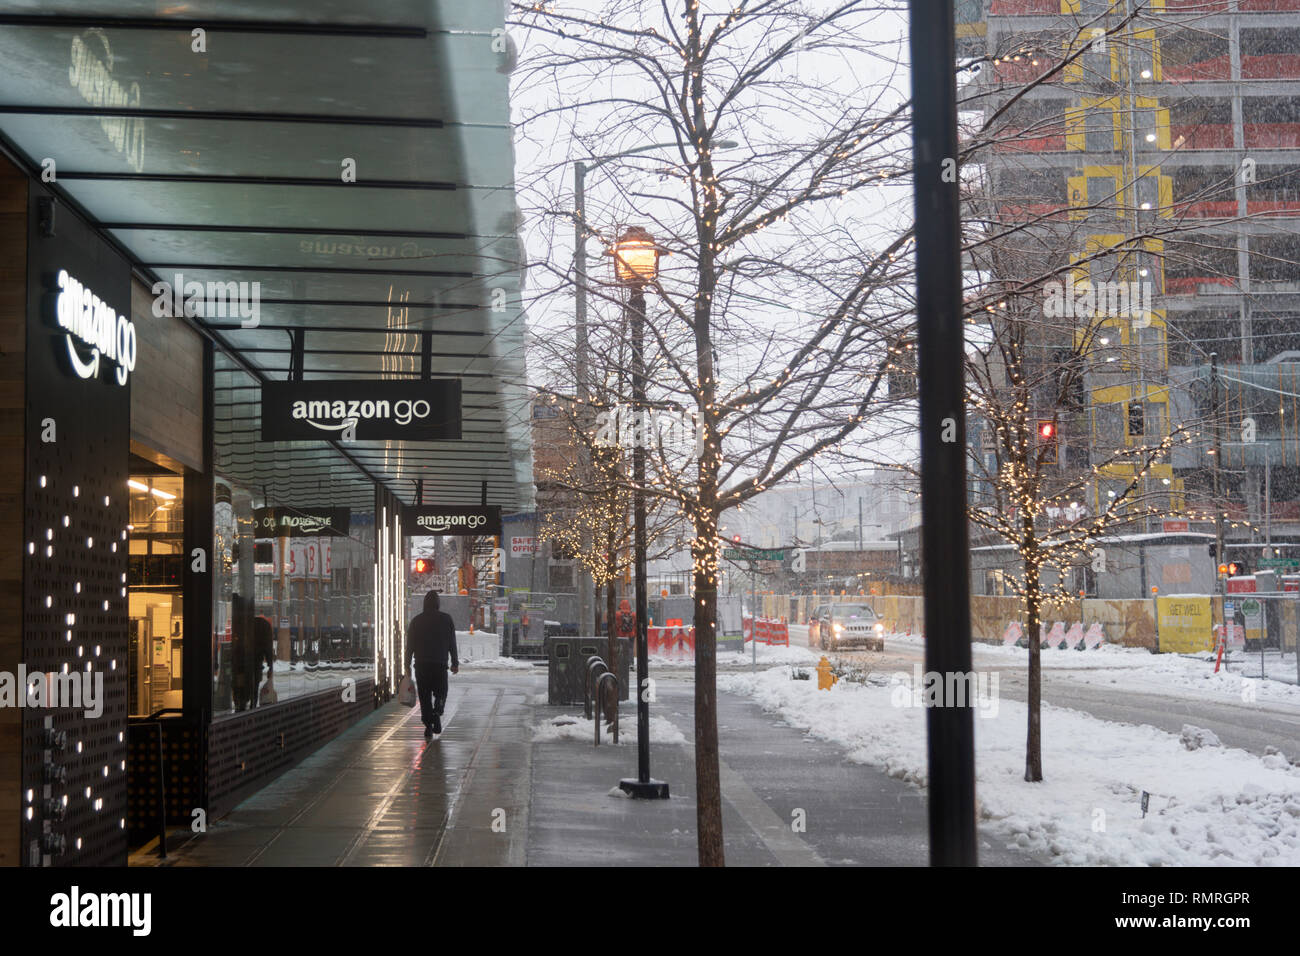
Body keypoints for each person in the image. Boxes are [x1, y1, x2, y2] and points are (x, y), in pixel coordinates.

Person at [406, 591, 459, 739]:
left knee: (424, 697)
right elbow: (452, 643)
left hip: (421, 666)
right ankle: (438, 711)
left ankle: (428, 725)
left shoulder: (416, 621)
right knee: (441, 692)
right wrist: (454, 662)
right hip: (439, 665)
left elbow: (409, 645)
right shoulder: (446, 620)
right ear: (437, 603)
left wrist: (406, 665)